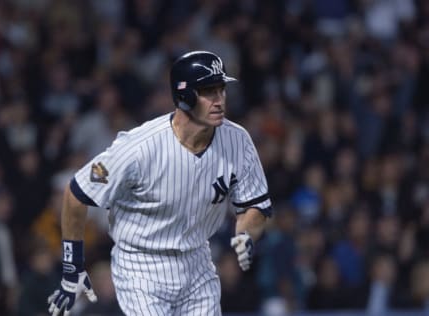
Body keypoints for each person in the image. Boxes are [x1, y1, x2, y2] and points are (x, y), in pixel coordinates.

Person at [47, 51, 272, 316]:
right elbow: (76, 193)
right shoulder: (139, 147)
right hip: (142, 265)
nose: (219, 100)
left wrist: (246, 231)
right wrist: (73, 268)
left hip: (197, 261)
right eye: (208, 91)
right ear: (184, 96)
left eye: (221, 90)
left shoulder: (238, 140)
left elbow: (256, 206)